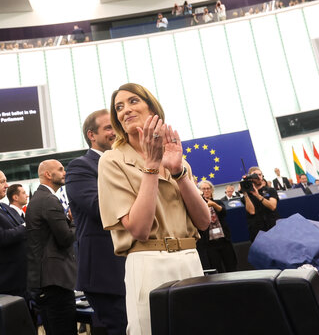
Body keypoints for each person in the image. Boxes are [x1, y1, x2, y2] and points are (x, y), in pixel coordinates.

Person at [98, 83, 210, 334]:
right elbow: (138, 228)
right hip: (149, 261)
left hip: (190, 259)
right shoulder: (112, 161)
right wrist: (151, 166)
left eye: (133, 101)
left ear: (152, 107)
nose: (125, 110)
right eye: (119, 107)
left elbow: (203, 222)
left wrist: (178, 172)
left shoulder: (179, 160)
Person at [67, 110, 127, 335]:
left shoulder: (125, 162)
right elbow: (100, 208)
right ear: (91, 135)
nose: (115, 131)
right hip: (106, 272)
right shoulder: (80, 167)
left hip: (131, 266)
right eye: (109, 127)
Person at [27, 160, 77, 335]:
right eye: (61, 169)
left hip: (46, 281)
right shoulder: (49, 199)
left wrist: (68, 221)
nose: (65, 173)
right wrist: (76, 222)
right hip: (55, 282)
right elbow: (65, 238)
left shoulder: (38, 198)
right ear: (48, 174)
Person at [196, 180, 237, 273]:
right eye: (203, 189)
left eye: (208, 188)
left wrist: (213, 204)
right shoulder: (198, 206)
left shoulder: (218, 202)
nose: (206, 191)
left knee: (231, 265)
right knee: (216, 268)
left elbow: (223, 212)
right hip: (209, 243)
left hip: (223, 240)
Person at [241, 166, 279, 241]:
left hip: (273, 226)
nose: (258, 177)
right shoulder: (247, 196)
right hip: (257, 230)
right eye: (255, 175)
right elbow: (251, 211)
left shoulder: (270, 190)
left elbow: (272, 207)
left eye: (260, 175)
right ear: (250, 178)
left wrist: (257, 195)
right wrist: (245, 192)